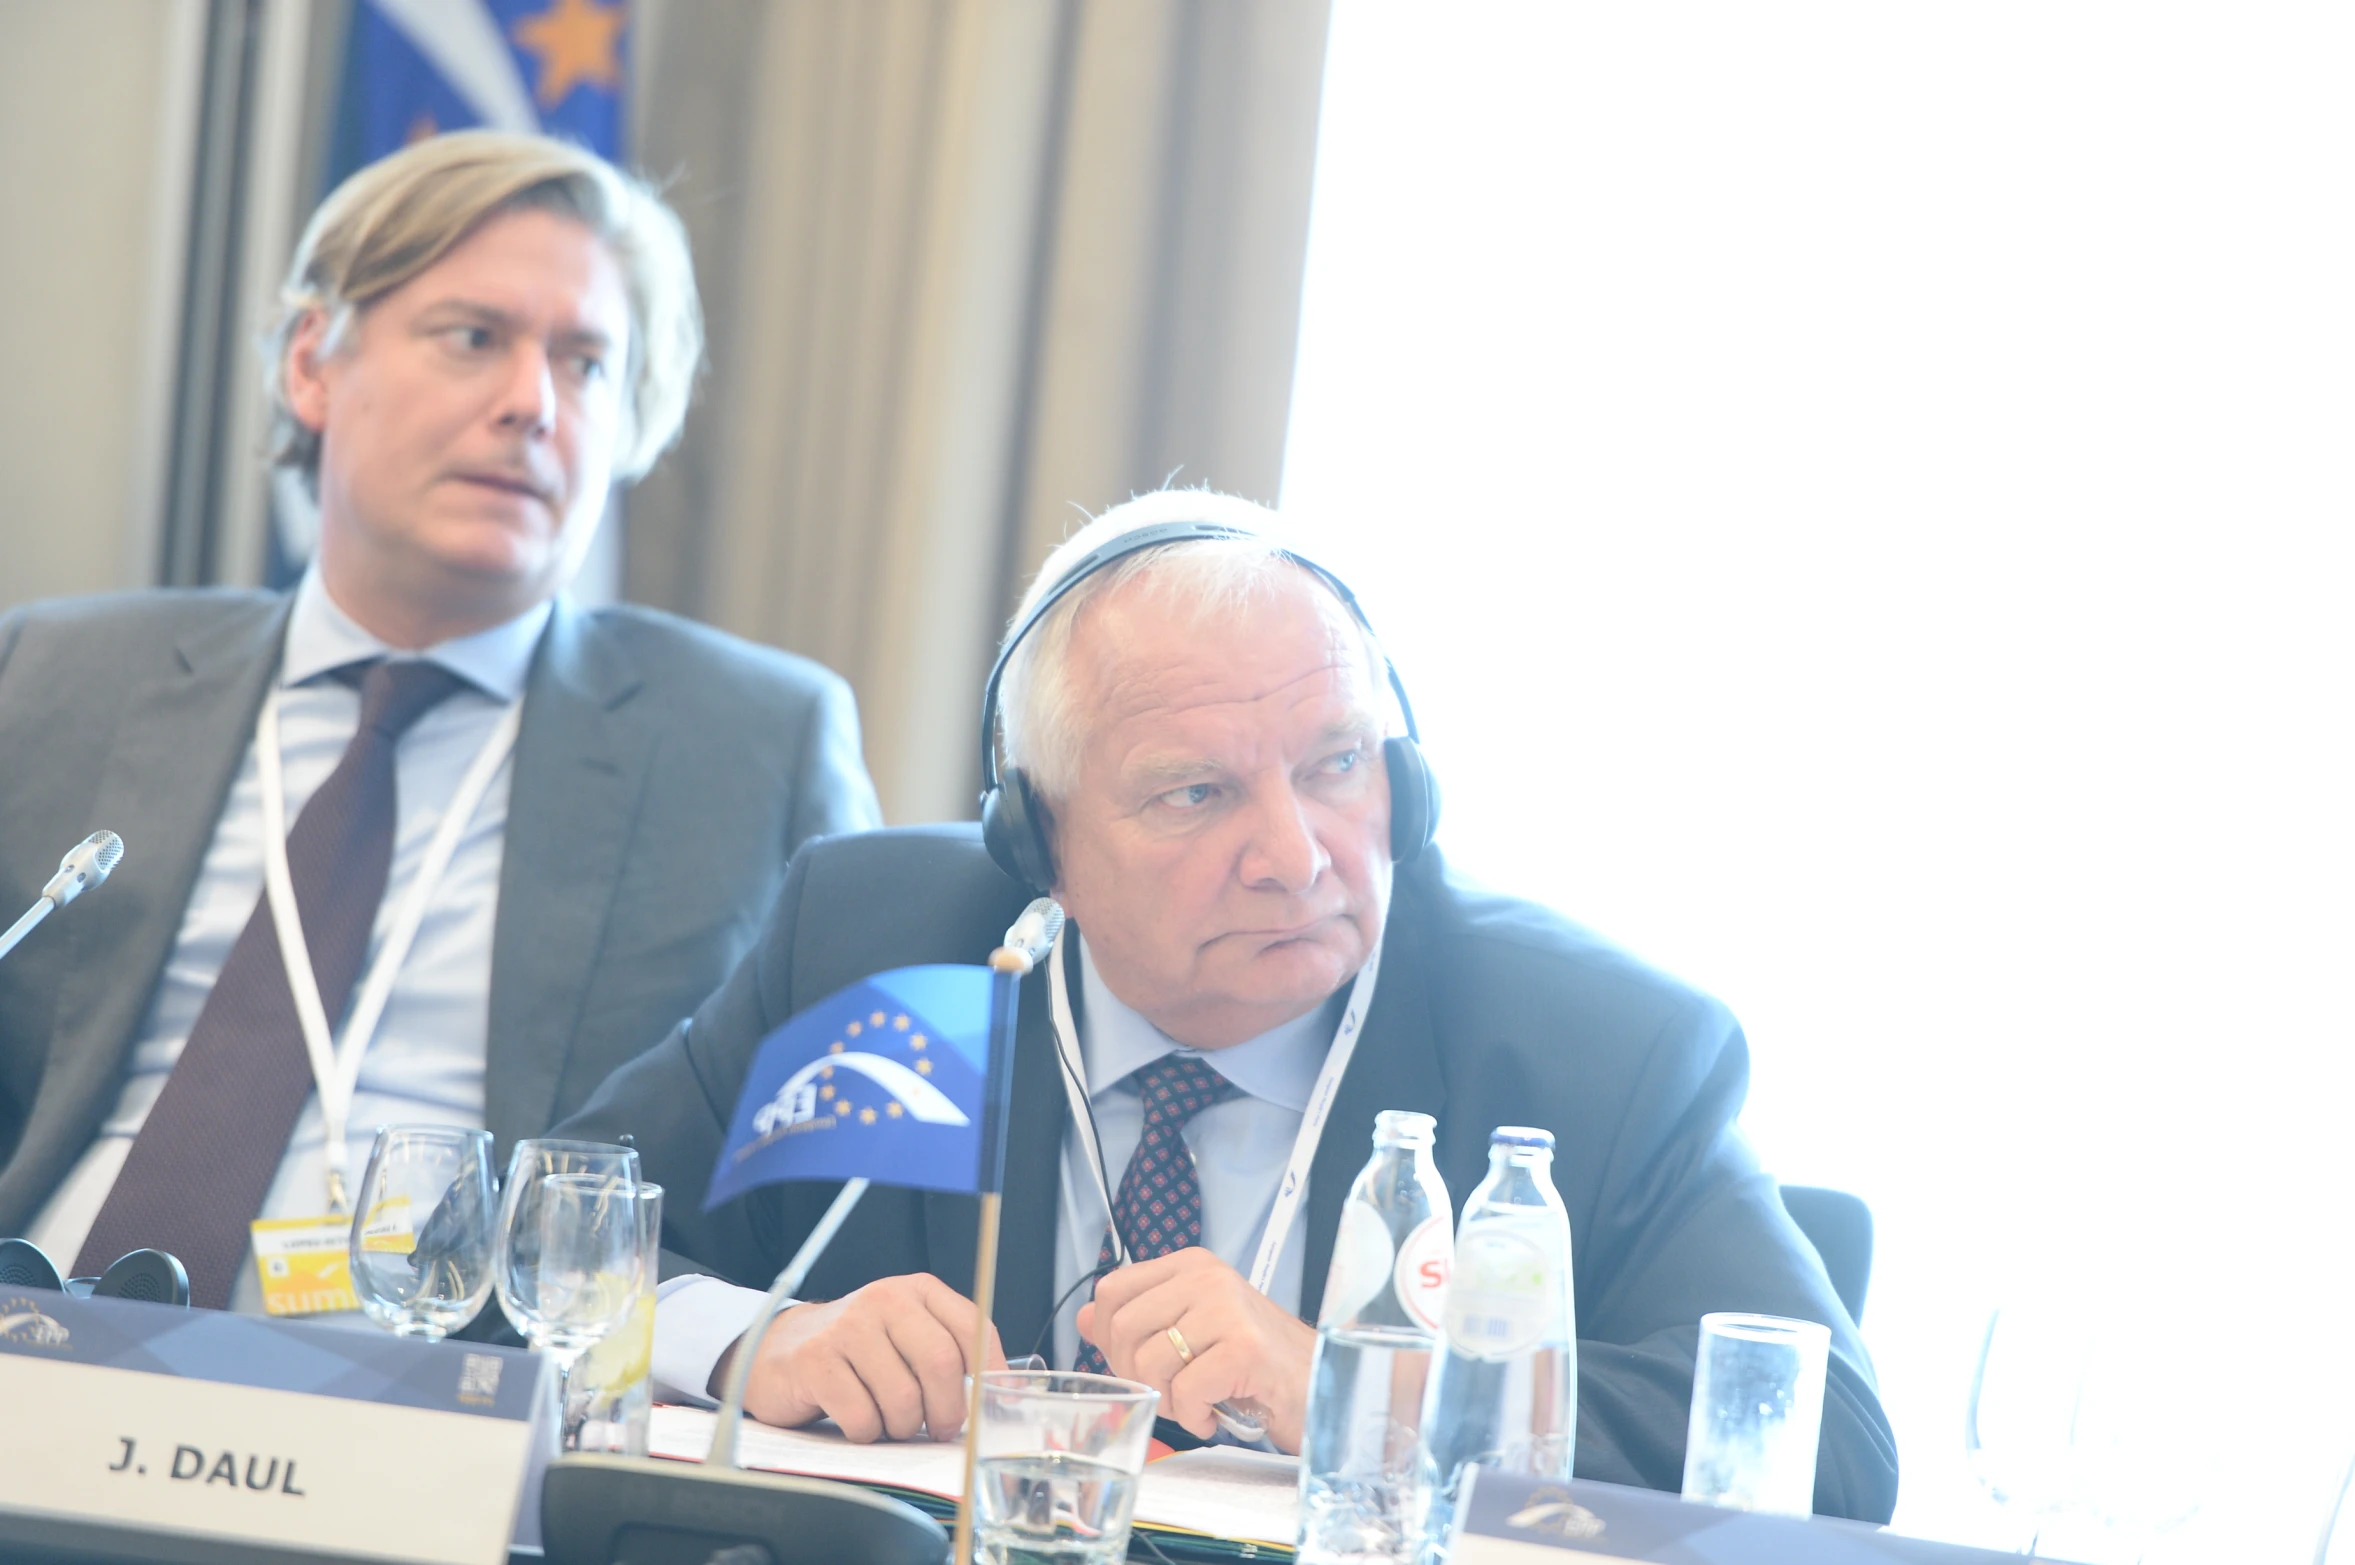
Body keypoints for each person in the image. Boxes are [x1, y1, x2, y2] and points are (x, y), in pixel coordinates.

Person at [558, 490, 1900, 1521]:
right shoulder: (880, 954)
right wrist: (750, 1341)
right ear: (1039, 841)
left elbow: (1829, 1448)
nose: (1297, 855)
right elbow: (536, 1246)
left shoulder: (1591, 1049)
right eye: (1195, 792)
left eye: (1335, 765)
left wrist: (1351, 1388)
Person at [0, 132, 881, 1315]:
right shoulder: (55, 675)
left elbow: (847, 1192)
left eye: (586, 365)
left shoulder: (752, 745)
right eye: (474, 338)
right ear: (315, 363)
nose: (531, 403)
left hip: (459, 1395)